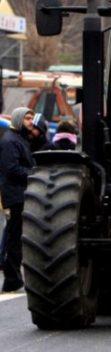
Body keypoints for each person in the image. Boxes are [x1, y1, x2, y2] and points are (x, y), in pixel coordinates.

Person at [0, 107, 35, 292]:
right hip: (15, 195)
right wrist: (34, 175)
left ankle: (13, 278)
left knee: (17, 237)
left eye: (31, 118)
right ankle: (12, 278)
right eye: (27, 118)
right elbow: (11, 168)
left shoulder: (19, 139)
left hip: (20, 194)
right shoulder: (10, 141)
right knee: (14, 238)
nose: (31, 121)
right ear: (19, 119)